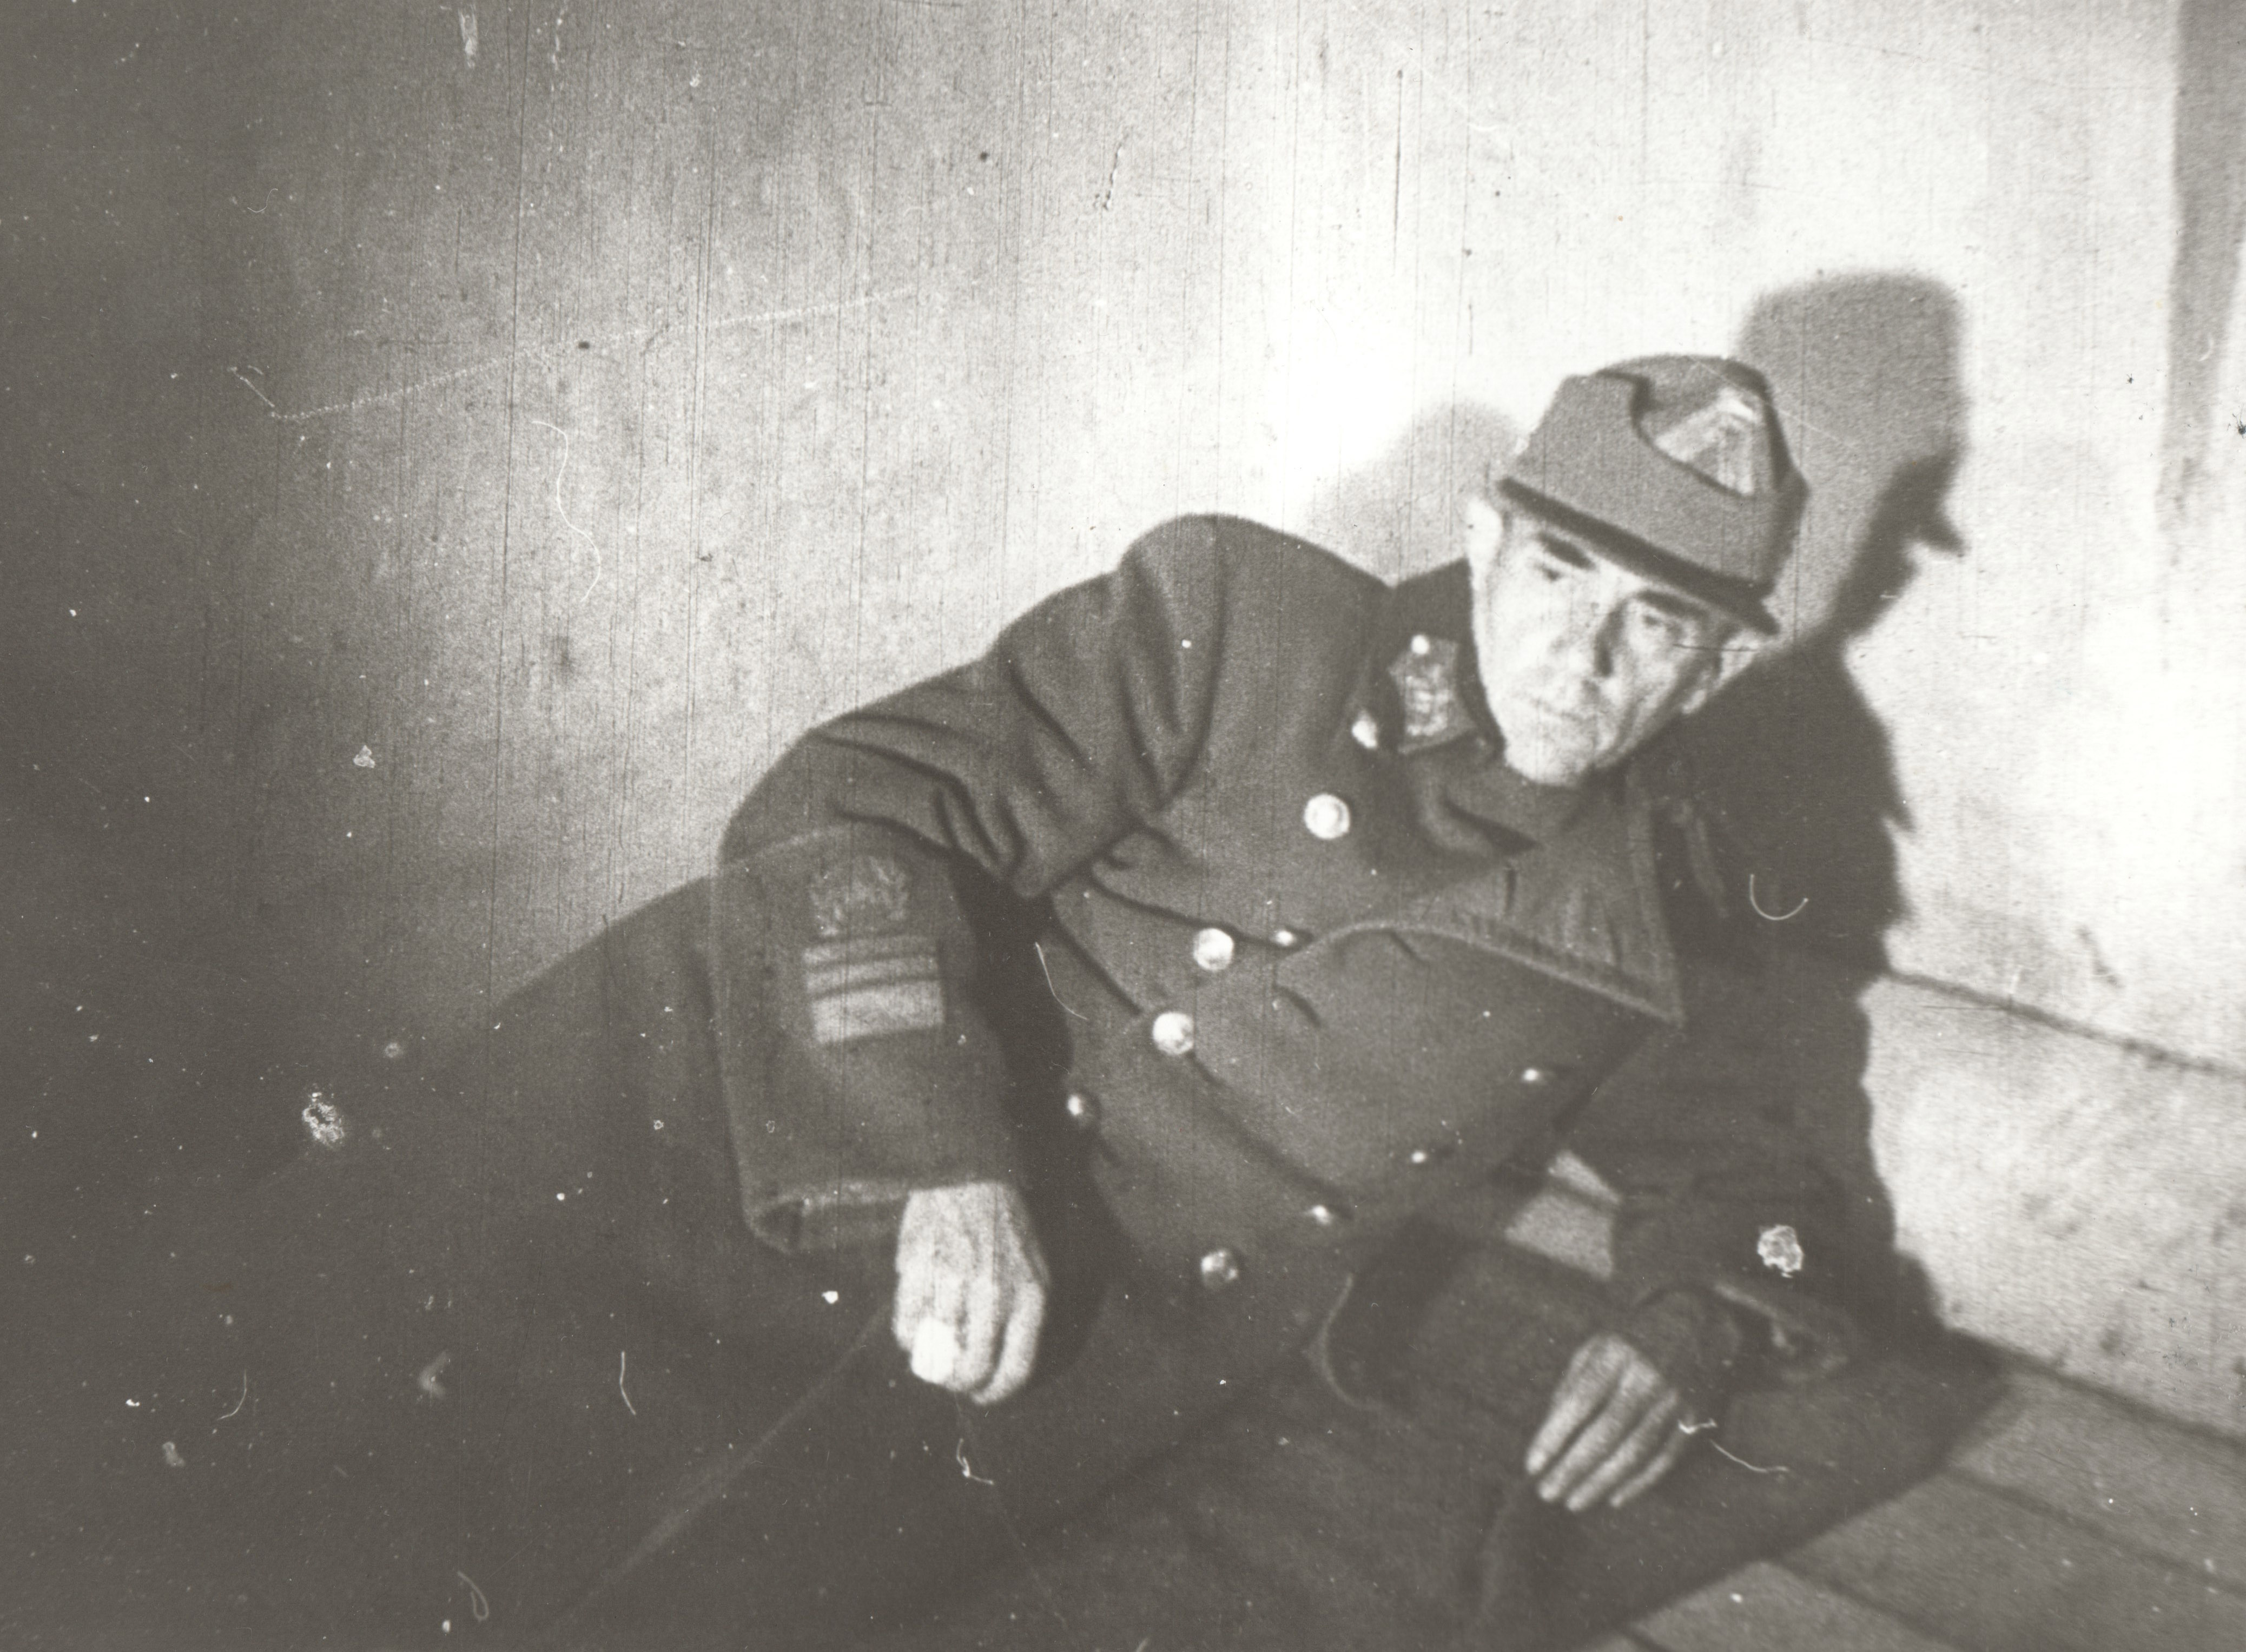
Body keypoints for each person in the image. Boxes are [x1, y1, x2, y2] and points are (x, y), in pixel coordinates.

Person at [114, 357, 1900, 1650]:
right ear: (1486, 537)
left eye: (1660, 623)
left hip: (1064, 1329)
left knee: (615, 1587)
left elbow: (1751, 1185)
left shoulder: (1651, 915)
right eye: (1565, 575)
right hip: (783, 1085)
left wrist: (1694, 1320)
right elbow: (857, 805)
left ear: (1719, 664)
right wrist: (938, 1163)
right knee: (238, 1390)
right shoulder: (1247, 620)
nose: (1584, 658)